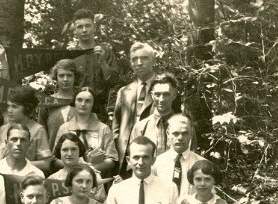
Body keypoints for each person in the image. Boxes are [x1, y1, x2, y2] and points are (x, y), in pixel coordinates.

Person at [112, 42, 156, 176]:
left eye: (144, 58)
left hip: (152, 155)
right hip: (127, 157)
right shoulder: (124, 91)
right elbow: (116, 127)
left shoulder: (163, 88)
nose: (139, 62)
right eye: (134, 59)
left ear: (153, 60)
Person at [68, 8, 119, 123]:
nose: (84, 30)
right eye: (79, 27)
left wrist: (102, 62)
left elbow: (114, 82)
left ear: (94, 27)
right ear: (75, 30)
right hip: (75, 109)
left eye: (88, 26)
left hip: (99, 110)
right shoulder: (70, 55)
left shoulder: (106, 51)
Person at [55, 87, 117, 178]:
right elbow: (55, 159)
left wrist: (91, 169)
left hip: (96, 179)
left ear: (93, 104)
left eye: (88, 101)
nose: (83, 104)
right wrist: (74, 168)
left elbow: (112, 160)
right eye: (79, 100)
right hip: (68, 178)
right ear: (74, 102)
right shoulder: (64, 128)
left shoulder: (103, 128)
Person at [0, 86, 54, 174]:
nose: (9, 110)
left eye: (14, 106)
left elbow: (46, 164)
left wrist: (18, 165)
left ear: (27, 108)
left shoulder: (38, 130)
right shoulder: (3, 129)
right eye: (8, 106)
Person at [130, 72, 184, 157]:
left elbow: (191, 161)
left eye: (166, 94)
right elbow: (134, 162)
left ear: (174, 95)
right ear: (152, 95)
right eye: (157, 94)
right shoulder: (140, 127)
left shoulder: (184, 126)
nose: (161, 99)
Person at [153, 114, 203, 199]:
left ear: (191, 134)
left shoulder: (201, 164)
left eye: (185, 133)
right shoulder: (157, 164)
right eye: (175, 133)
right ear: (168, 134)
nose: (180, 138)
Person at [47, 132, 107, 204]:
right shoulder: (52, 179)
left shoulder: (94, 176)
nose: (69, 154)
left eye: (74, 149)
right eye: (65, 150)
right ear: (59, 152)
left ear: (80, 151)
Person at [41, 58, 79, 144]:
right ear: (56, 77)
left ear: (75, 77)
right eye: (61, 76)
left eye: (69, 75)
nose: (65, 79)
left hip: (80, 154)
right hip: (53, 155)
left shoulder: (82, 100)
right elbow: (41, 134)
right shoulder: (47, 102)